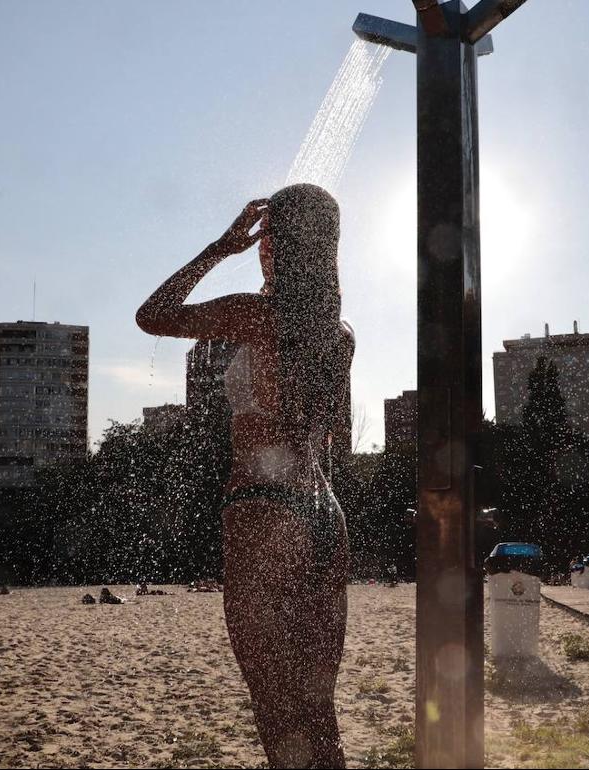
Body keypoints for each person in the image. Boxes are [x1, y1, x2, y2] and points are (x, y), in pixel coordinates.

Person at [137, 184, 353, 768]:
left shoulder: (255, 314)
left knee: (278, 715)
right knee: (318, 713)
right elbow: (332, 439)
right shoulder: (339, 336)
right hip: (325, 514)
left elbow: (151, 316)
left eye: (266, 240)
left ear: (275, 247)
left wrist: (217, 247)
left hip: (263, 508)